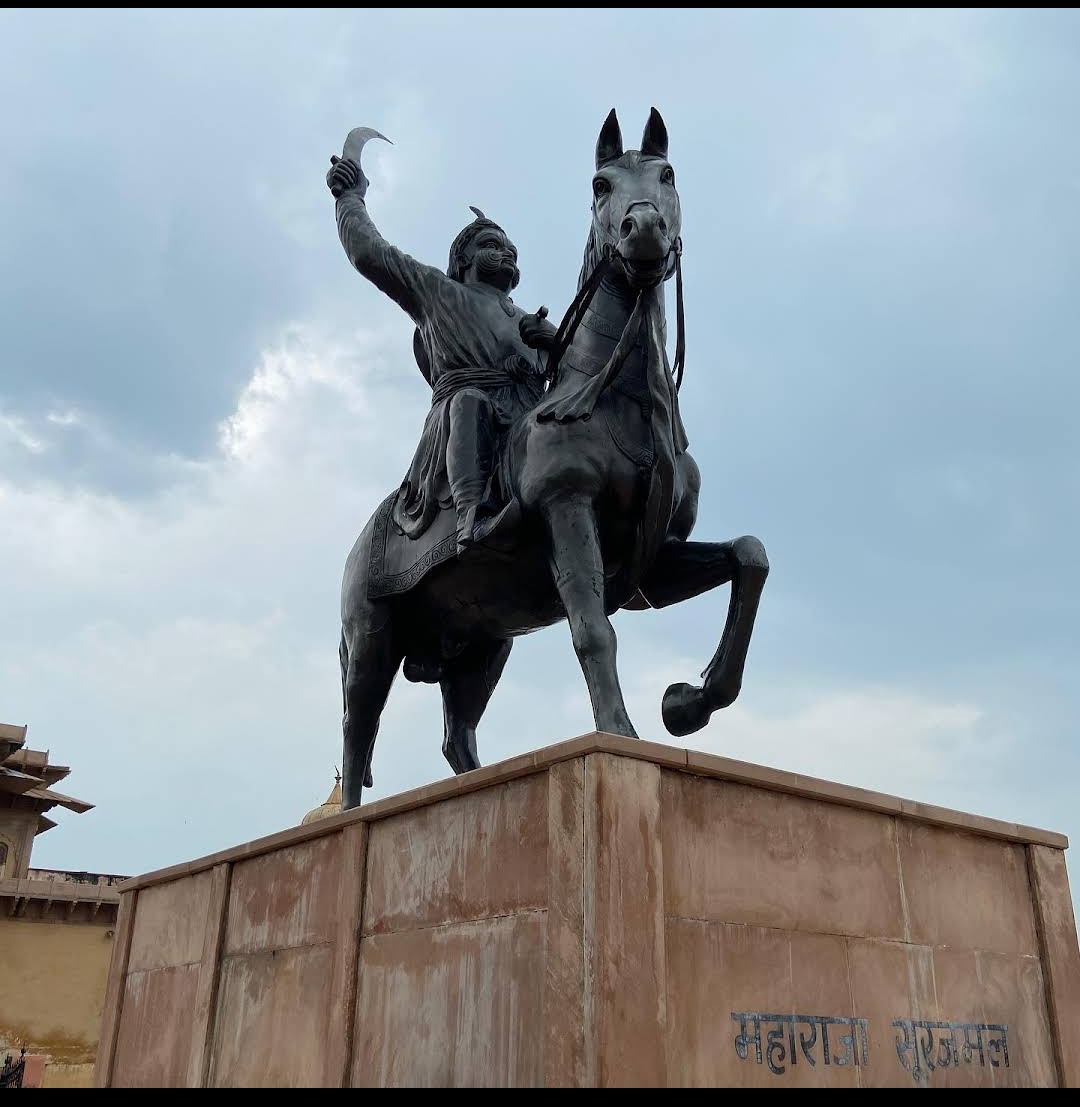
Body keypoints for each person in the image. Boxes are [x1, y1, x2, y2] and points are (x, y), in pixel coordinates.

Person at [327, 154, 556, 552]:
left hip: (528, 419)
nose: (507, 253)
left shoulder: (528, 320)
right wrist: (350, 198)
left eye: (511, 249)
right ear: (463, 258)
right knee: (470, 402)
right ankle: (471, 515)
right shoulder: (439, 293)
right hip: (464, 413)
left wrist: (555, 342)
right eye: (492, 245)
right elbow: (371, 254)